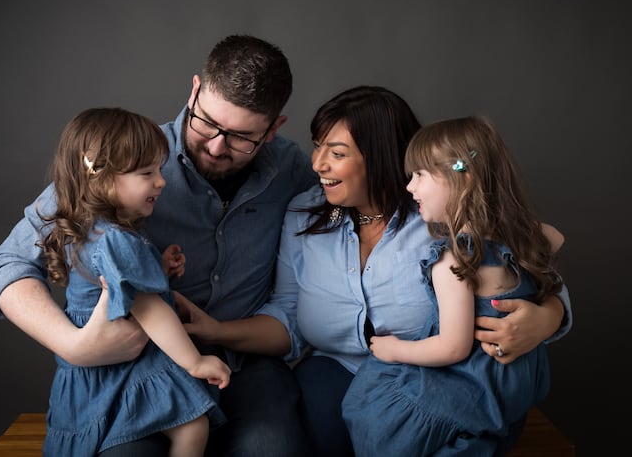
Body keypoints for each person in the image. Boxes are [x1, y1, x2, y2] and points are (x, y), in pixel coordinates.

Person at [172, 85, 572, 456]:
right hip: (338, 371)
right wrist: (216, 330)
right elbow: (289, 312)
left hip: (442, 382)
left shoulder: (440, 214)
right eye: (317, 147)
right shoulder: (302, 216)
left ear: (381, 157)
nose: (317, 164)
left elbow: (520, 267)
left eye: (338, 152)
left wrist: (550, 315)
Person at [0, 35, 316, 456]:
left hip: (244, 366)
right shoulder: (120, 160)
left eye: (241, 137)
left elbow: (314, 281)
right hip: (136, 370)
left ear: (274, 129)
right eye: (206, 123)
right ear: (194, 90)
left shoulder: (295, 171)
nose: (216, 146)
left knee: (273, 449)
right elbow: (5, 265)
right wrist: (74, 346)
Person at [341, 115, 565, 456]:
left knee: (370, 408)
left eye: (419, 175)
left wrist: (394, 349)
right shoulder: (527, 239)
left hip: (470, 387)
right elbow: (556, 237)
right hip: (512, 387)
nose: (409, 187)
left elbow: (453, 348)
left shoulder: (454, 263)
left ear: (463, 178)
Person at [33, 107, 230, 456]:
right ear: (103, 179)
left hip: (108, 361)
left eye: (159, 169)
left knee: (188, 425)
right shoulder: (115, 239)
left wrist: (158, 268)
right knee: (193, 425)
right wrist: (194, 362)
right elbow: (149, 307)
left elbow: (118, 283)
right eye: (147, 173)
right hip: (120, 359)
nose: (161, 181)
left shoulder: (92, 226)